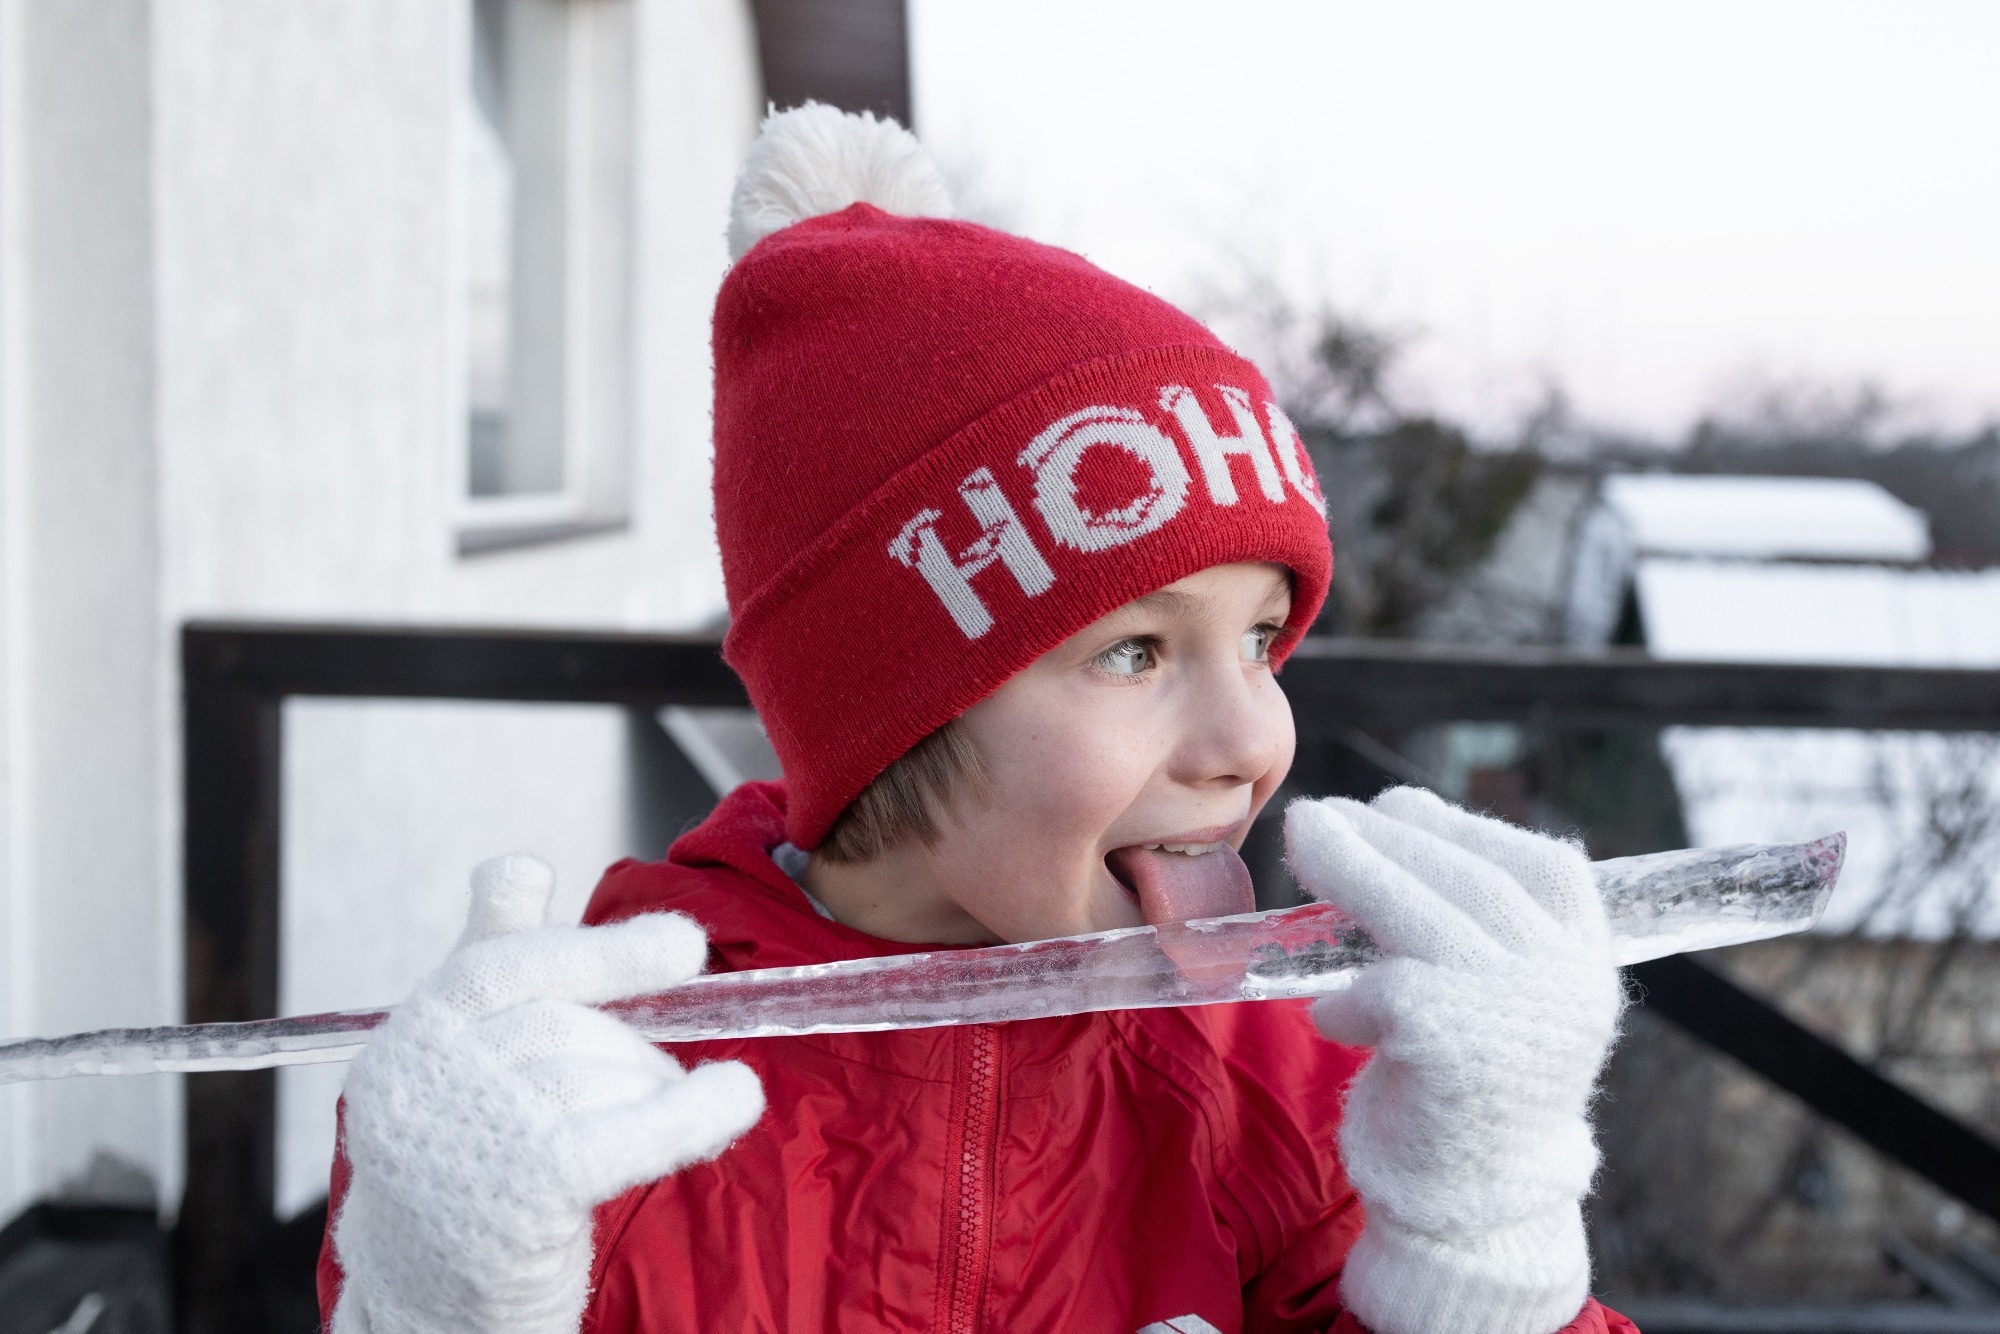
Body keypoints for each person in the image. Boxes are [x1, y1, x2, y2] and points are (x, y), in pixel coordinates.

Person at [316, 104, 1632, 1334]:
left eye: (1257, 637)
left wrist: (1487, 1239)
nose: (1255, 740)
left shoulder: (1283, 1092)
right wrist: (434, 1301)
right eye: (1133, 649)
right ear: (892, 704)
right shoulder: (586, 1100)